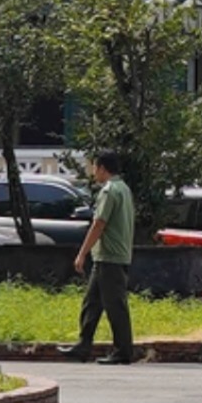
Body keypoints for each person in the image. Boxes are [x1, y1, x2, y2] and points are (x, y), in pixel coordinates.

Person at [73, 150, 140, 364]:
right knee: (91, 303)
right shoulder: (124, 189)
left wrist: (82, 253)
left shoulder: (109, 191)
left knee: (115, 306)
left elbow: (99, 224)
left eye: (94, 167)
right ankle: (83, 345)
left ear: (102, 168)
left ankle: (123, 351)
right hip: (110, 256)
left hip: (110, 256)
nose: (93, 172)